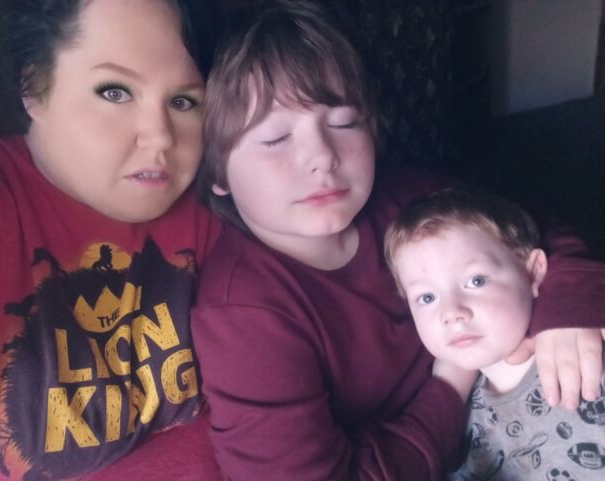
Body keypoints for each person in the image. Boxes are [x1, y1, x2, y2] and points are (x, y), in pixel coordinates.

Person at [191, 1, 605, 480]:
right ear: (217, 171)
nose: (322, 157)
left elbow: (536, 234)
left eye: (343, 123)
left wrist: (567, 308)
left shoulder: (410, 200)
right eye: (275, 139)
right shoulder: (241, 314)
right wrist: (451, 381)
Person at [0, 0, 224, 479]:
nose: (160, 137)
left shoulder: (219, 202)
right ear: (34, 89)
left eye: (183, 101)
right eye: (115, 91)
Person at [384, 187, 605, 481]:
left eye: (476, 281)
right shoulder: (455, 416)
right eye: (426, 298)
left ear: (532, 272)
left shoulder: (587, 351)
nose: (451, 312)